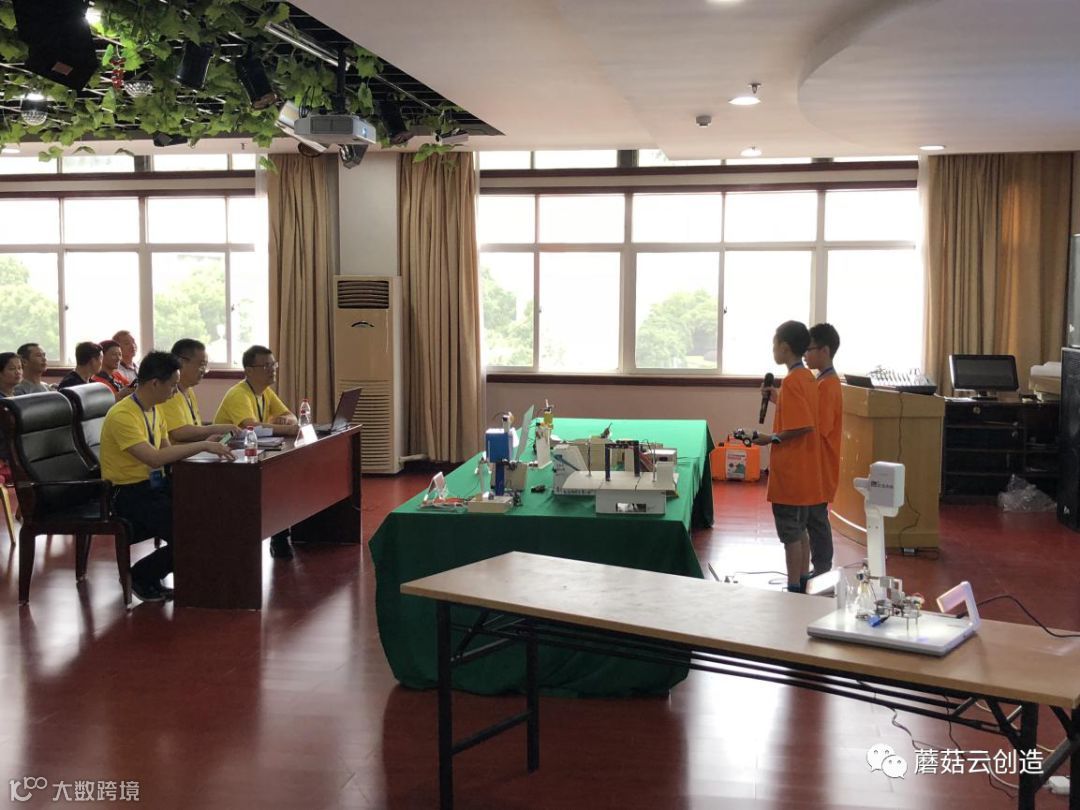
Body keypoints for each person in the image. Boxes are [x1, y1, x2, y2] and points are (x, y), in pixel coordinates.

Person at [99, 351, 233, 602]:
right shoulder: (123, 415)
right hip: (128, 493)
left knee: (208, 515)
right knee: (188, 531)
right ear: (154, 383)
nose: (174, 392)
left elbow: (167, 451)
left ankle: (159, 576)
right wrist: (203, 445)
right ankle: (140, 575)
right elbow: (154, 458)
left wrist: (206, 442)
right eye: (172, 385)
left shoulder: (154, 410)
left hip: (154, 485)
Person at [753, 321, 823, 593]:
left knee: (790, 534)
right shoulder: (807, 378)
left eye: (774, 344)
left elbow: (802, 425)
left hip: (792, 473)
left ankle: (793, 588)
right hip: (805, 471)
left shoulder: (793, 381)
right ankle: (802, 581)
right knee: (800, 530)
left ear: (784, 347)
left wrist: (769, 438)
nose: (773, 349)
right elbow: (802, 412)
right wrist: (778, 399)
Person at [214, 345, 299, 559]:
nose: (272, 370)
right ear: (249, 370)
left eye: (274, 365)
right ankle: (278, 537)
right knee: (278, 480)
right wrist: (287, 428)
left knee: (286, 474)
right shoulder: (238, 394)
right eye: (266, 366)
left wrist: (287, 420)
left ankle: (281, 535)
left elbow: (291, 416)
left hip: (251, 457)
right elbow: (250, 426)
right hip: (227, 463)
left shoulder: (264, 392)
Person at [804, 323, 842, 586]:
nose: (805, 355)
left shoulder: (828, 385)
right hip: (814, 462)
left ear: (825, 350)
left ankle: (822, 569)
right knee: (813, 517)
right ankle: (818, 568)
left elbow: (821, 426)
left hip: (821, 463)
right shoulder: (821, 381)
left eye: (810, 349)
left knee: (817, 518)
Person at [160, 338, 236, 443]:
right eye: (201, 365)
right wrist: (216, 429)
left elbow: (195, 427)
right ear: (181, 362)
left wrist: (209, 440)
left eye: (205, 366)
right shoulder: (168, 393)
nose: (203, 371)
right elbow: (179, 432)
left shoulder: (189, 390)